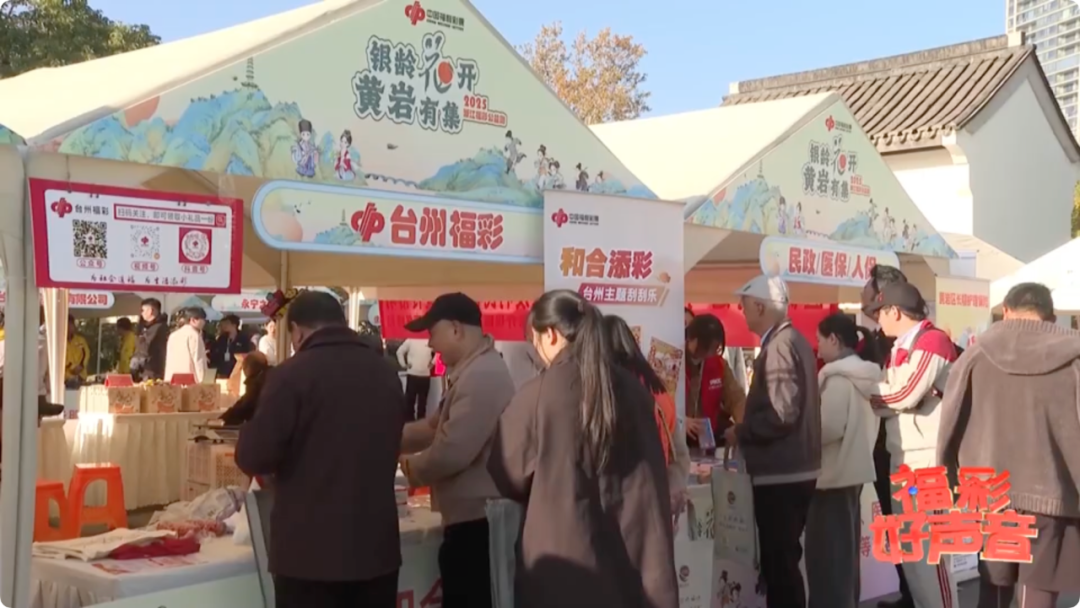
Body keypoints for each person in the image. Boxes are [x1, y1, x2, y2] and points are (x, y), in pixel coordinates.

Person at [487, 290, 678, 608]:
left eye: (534, 339)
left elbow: (507, 473)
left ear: (550, 334)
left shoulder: (538, 395)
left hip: (564, 569)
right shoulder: (634, 390)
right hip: (635, 562)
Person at [236, 291, 405, 608]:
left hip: (309, 553)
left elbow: (255, 456)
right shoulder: (385, 373)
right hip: (376, 548)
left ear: (297, 331)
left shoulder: (290, 375)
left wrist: (247, 430)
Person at [938, 283, 1080, 608]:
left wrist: (950, 482)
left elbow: (949, 424)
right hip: (1053, 492)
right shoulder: (1074, 359)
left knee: (994, 586)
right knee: (1038, 589)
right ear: (1051, 317)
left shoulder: (975, 355)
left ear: (1005, 310)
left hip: (989, 491)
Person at [399, 293, 515, 608]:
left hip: (477, 524)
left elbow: (451, 452)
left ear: (455, 329)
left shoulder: (483, 376)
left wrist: (407, 468)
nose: (430, 344)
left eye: (432, 333)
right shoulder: (471, 371)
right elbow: (433, 427)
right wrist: (386, 439)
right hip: (468, 520)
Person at [724, 275, 820, 608]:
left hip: (782, 474)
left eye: (744, 306)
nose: (742, 312)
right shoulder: (793, 341)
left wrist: (741, 431)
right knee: (784, 563)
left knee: (780, 567)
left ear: (761, 307)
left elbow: (782, 414)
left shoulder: (780, 345)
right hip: (793, 469)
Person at [863, 282, 958, 608]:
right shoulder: (902, 347)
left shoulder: (933, 341)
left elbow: (903, 393)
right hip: (904, 457)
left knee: (931, 556)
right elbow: (896, 396)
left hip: (929, 462)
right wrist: (891, 396)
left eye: (879, 312)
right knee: (912, 553)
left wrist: (879, 395)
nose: (877, 320)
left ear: (895, 311)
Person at [806, 313, 880, 608]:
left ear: (834, 339)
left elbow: (827, 428)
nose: (818, 347)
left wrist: (800, 431)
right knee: (844, 559)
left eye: (820, 340)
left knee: (827, 561)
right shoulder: (866, 375)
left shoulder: (838, 379)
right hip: (852, 475)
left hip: (830, 478)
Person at [859, 265, 915, 608]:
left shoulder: (922, 342)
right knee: (894, 523)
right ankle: (909, 592)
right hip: (883, 450)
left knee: (913, 525)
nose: (866, 308)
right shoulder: (874, 342)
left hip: (912, 453)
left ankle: (919, 594)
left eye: (871, 302)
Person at [604, 314, 691, 520]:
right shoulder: (659, 390)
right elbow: (679, 452)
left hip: (624, 499)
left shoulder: (612, 391)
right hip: (657, 493)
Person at [685, 313, 745, 449]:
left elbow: (737, 398)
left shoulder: (719, 365)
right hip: (676, 435)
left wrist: (740, 426)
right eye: (707, 347)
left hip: (708, 436)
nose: (710, 353)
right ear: (693, 340)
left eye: (715, 348)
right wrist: (680, 421)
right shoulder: (672, 360)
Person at [218, 351, 270, 426]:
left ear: (247, 367)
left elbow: (246, 406)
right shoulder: (271, 375)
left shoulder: (256, 382)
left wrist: (223, 420)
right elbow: (244, 401)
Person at [164, 307, 209, 384]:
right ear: (193, 320)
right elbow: (198, 360)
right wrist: (203, 381)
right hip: (190, 378)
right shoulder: (194, 335)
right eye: (203, 320)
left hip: (172, 377)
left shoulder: (173, 335)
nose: (204, 323)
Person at [396, 337, 434, 421]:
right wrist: (432, 362)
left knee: (411, 403)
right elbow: (439, 351)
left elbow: (399, 352)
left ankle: (411, 423)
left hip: (416, 374)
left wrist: (404, 365)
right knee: (421, 404)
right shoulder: (428, 339)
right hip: (422, 375)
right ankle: (419, 424)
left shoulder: (411, 339)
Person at [133, 298, 169, 381]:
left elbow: (146, 347)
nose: (141, 313)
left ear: (150, 311)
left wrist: (140, 337)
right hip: (144, 368)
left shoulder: (159, 327)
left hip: (152, 369)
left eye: (142, 310)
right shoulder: (148, 327)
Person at [209, 314, 253, 378]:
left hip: (237, 368)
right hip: (222, 369)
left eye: (227, 323)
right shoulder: (222, 338)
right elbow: (215, 352)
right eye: (224, 324)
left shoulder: (244, 338)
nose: (225, 326)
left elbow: (247, 353)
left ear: (234, 325)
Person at [64, 314, 91, 387]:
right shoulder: (59, 342)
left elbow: (86, 353)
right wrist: (72, 367)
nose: (69, 328)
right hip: (65, 378)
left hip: (81, 376)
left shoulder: (81, 340)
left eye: (71, 325)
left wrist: (81, 365)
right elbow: (59, 358)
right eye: (67, 325)